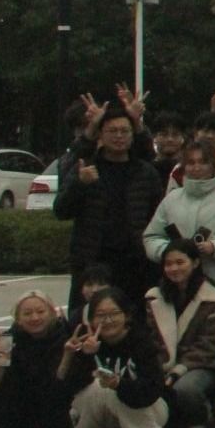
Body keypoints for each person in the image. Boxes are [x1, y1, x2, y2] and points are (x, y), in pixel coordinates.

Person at [58, 103, 166, 314]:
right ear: (100, 134)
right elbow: (61, 210)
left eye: (125, 131)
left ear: (133, 134)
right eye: (112, 131)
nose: (119, 136)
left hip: (135, 263)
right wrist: (80, 184)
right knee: (87, 318)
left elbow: (158, 217)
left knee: (134, 319)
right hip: (92, 262)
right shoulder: (85, 168)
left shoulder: (146, 173)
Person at [58, 286, 171, 428]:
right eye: (101, 315)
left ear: (126, 315)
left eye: (114, 313)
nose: (108, 320)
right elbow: (72, 388)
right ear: (91, 320)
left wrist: (119, 384)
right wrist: (84, 355)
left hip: (148, 410)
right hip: (105, 415)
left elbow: (152, 390)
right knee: (96, 387)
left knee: (112, 391)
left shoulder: (142, 342)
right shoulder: (87, 344)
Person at [143, 141, 215, 301]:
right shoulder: (171, 199)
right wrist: (172, 253)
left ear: (213, 165)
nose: (196, 167)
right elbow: (151, 237)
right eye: (191, 163)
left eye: (203, 162)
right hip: (178, 287)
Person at [144, 242, 215, 428]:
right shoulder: (154, 298)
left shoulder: (212, 299)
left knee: (185, 389)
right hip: (163, 364)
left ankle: (201, 417)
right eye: (168, 264)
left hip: (201, 365)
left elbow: (209, 345)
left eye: (180, 262)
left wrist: (178, 370)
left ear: (195, 263)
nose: (174, 268)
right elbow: (151, 339)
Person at [0, 290, 73, 428]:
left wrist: (69, 353)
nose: (35, 318)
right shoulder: (7, 340)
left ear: (52, 313)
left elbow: (65, 380)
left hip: (56, 405)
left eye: (40, 312)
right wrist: (0, 361)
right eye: (27, 313)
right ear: (18, 319)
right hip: (20, 405)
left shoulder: (67, 336)